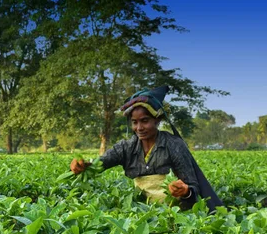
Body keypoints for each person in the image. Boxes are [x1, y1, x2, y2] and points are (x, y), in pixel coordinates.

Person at [70, 86, 214, 209]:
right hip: (141, 210)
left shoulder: (174, 145)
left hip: (174, 213)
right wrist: (83, 166)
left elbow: (193, 187)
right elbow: (99, 164)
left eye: (145, 121)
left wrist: (184, 191)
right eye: (134, 122)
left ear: (157, 120)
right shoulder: (126, 147)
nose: (139, 128)